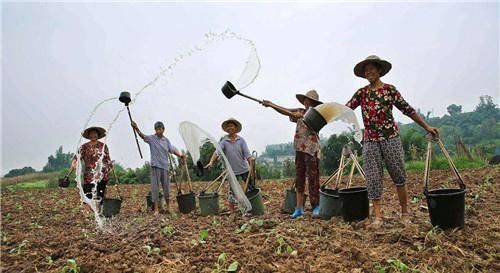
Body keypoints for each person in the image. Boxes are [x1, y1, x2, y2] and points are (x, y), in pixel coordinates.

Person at [346, 55, 439, 228]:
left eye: (372, 69)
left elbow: (408, 110)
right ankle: (378, 217)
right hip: (371, 141)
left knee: (399, 176)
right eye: (366, 71)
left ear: (379, 70)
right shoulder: (362, 93)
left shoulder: (390, 90)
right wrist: (326, 113)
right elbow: (346, 109)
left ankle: (405, 213)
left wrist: (426, 127)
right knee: (373, 178)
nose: (369, 73)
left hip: (391, 139)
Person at [261, 90, 323, 218]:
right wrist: (272, 104)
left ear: (314, 103)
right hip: (299, 148)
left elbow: (290, 113)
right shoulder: (300, 111)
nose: (306, 103)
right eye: (305, 100)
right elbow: (286, 110)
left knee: (313, 178)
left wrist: (273, 105)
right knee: (299, 177)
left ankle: (316, 206)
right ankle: (299, 207)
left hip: (312, 149)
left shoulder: (317, 114)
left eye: (309, 101)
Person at [131, 120, 185, 215]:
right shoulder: (152, 139)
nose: (158, 131)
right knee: (155, 188)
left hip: (165, 167)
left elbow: (172, 150)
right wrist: (136, 128)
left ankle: (168, 207)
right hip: (155, 166)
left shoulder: (166, 140)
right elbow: (142, 136)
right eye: (156, 129)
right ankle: (156, 209)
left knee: (166, 188)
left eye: (160, 129)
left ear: (163, 129)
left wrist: (180, 155)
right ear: (155, 130)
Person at [205, 118, 254, 211]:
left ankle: (253, 207)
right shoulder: (224, 141)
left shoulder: (241, 140)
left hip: (244, 169)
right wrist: (211, 162)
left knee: (252, 188)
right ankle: (232, 211)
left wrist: (252, 166)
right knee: (232, 192)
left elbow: (247, 155)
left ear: (235, 128)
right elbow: (217, 152)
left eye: (231, 126)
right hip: (232, 171)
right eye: (228, 126)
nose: (229, 128)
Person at [71, 126, 112, 213]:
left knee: (100, 194)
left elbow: (108, 159)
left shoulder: (103, 146)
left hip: (102, 174)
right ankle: (88, 213)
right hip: (89, 175)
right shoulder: (84, 147)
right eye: (91, 134)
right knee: (87, 194)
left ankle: (99, 211)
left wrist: (110, 168)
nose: (93, 135)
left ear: (98, 135)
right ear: (89, 136)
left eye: (95, 134)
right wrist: (74, 163)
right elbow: (76, 157)